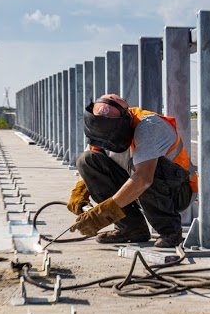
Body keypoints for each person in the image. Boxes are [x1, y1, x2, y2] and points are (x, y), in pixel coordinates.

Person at [67, 94, 197, 248]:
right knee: (87, 160)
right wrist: (80, 192)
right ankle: (131, 228)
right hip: (138, 181)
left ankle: (170, 231)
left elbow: (143, 179)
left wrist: (103, 214)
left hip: (177, 191)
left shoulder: (149, 126)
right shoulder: (102, 128)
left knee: (145, 170)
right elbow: (91, 163)